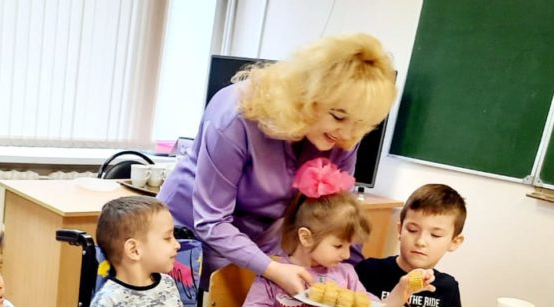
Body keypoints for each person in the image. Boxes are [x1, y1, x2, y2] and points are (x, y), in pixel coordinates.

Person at [159, 33, 397, 293]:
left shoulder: (345, 131)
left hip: (262, 245)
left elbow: (338, 216)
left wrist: (349, 278)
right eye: (338, 117)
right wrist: (273, 269)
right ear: (307, 95)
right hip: (187, 235)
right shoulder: (235, 116)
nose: (348, 135)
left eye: (361, 124)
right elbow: (211, 221)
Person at [240, 159, 433, 307]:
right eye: (338, 245)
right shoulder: (276, 273)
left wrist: (402, 289)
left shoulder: (345, 274)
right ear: (306, 237)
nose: (347, 254)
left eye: (350, 245)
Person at [85, 197, 219, 307]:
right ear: (134, 250)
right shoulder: (107, 303)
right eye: (168, 238)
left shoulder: (167, 284)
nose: (177, 245)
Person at [355, 184, 466, 307]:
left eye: (435, 235)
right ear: (400, 230)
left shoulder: (448, 287)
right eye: (412, 230)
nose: (420, 242)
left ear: (454, 242)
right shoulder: (368, 271)